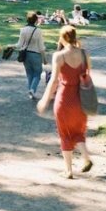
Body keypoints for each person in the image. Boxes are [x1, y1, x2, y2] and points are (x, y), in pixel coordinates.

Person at [37, 25, 94, 179]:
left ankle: (68, 171)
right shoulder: (85, 54)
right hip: (81, 99)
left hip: (64, 98)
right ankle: (86, 158)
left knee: (65, 133)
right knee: (78, 131)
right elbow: (88, 73)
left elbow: (54, 81)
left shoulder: (59, 56)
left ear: (62, 38)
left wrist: (45, 99)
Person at [16, 12, 47, 100]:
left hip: (26, 55)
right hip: (36, 54)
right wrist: (44, 59)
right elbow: (41, 47)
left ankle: (31, 92)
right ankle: (32, 90)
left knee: (29, 74)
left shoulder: (23, 30)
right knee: (37, 73)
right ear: (36, 20)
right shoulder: (38, 31)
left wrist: (11, 46)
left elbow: (19, 44)